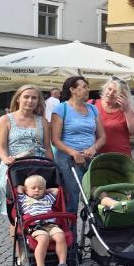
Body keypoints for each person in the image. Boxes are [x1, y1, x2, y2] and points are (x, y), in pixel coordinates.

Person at [0, 85, 52, 216]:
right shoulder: (5, 119)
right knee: (15, 214)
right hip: (14, 168)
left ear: (38, 101)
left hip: (37, 168)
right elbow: (1, 147)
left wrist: (51, 166)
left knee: (40, 209)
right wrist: (6, 159)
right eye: (26, 97)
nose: (30, 101)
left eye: (34, 98)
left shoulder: (42, 121)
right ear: (18, 99)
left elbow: (47, 147)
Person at [51, 76, 106, 214]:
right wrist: (74, 153)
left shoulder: (93, 109)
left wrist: (94, 148)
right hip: (68, 159)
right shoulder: (61, 108)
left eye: (88, 87)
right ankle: (71, 227)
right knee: (72, 196)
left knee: (97, 193)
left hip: (90, 156)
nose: (88, 90)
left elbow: (102, 137)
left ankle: (95, 226)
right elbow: (55, 140)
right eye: (84, 87)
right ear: (72, 89)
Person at [17, 175, 69, 266]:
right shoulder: (24, 199)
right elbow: (18, 188)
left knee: (61, 235)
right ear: (26, 190)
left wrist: (44, 191)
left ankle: (62, 264)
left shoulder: (47, 198)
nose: (37, 190)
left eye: (40, 188)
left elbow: (56, 190)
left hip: (50, 224)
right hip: (35, 226)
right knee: (43, 238)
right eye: (33, 188)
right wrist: (26, 189)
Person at [92, 77, 134, 156]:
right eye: (109, 89)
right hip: (95, 156)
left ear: (122, 96)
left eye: (115, 92)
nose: (110, 93)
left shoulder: (126, 109)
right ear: (105, 89)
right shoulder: (92, 104)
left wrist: (127, 110)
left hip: (120, 157)